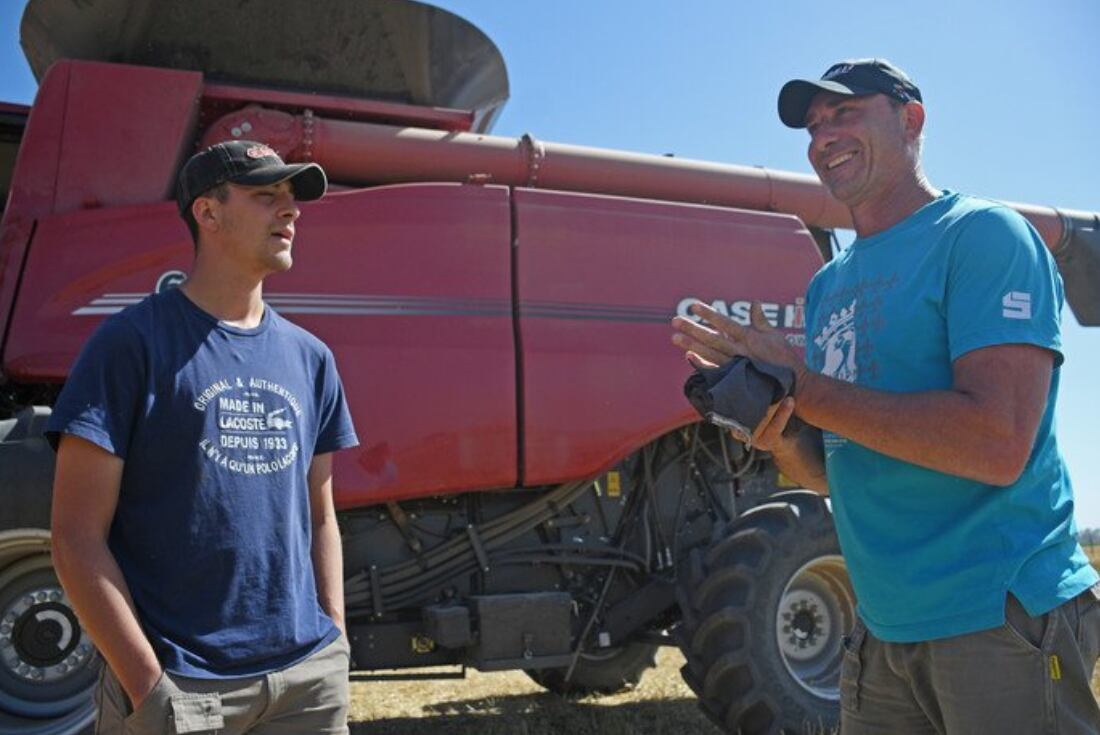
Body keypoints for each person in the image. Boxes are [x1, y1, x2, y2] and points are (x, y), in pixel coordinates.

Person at [672, 59, 1100, 733]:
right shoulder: (829, 286)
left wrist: (806, 385)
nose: (822, 137)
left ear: (912, 119)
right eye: (813, 125)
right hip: (880, 628)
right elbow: (839, 469)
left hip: (997, 616)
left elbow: (997, 443)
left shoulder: (984, 235)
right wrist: (780, 428)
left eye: (845, 113)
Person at [47, 140, 359, 734]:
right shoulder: (129, 346)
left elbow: (321, 517)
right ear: (207, 213)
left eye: (292, 199)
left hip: (305, 684)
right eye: (267, 196)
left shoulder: (311, 358)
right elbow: (74, 538)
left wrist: (334, 642)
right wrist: (149, 686)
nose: (290, 212)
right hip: (182, 686)